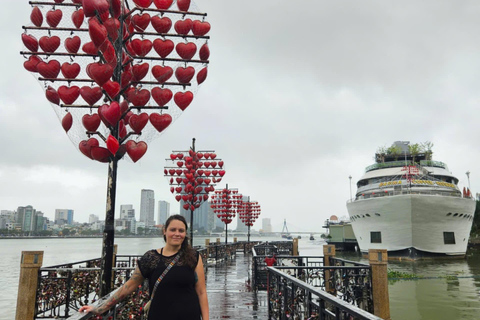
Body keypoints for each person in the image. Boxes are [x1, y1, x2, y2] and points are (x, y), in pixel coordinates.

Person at [79, 214, 209, 319]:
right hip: (159, 315)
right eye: (172, 230)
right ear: (164, 231)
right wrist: (99, 309)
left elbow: (201, 292)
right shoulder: (150, 258)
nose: (177, 233)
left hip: (189, 315)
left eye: (181, 231)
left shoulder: (193, 257)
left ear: (185, 234)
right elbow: (129, 286)